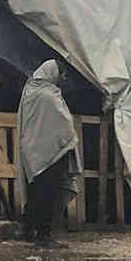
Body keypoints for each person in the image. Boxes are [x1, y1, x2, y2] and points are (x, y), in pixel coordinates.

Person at [17, 60, 80, 245]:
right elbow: (63, 123)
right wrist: (69, 138)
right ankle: (44, 234)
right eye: (62, 75)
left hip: (32, 152)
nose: (63, 79)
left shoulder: (30, 90)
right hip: (50, 154)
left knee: (34, 192)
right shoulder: (48, 95)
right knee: (48, 193)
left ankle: (29, 231)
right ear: (53, 73)